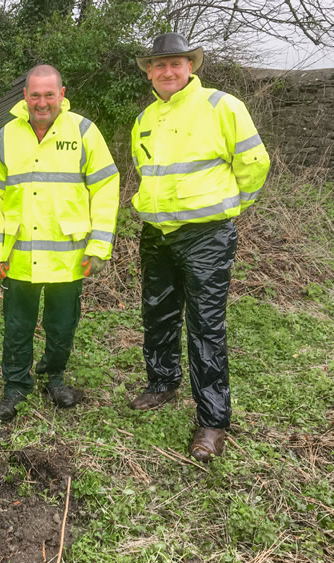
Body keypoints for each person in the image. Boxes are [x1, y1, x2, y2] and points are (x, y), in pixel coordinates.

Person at [129, 33, 270, 462]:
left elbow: (254, 164)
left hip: (206, 234)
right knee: (157, 310)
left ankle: (212, 421)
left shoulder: (222, 106)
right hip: (157, 232)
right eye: (159, 65)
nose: (167, 72)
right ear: (149, 72)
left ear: (191, 67)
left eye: (176, 64)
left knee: (206, 325)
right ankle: (162, 383)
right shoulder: (145, 118)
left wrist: (228, 209)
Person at [0, 64, 120, 422]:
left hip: (69, 257)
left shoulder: (84, 132)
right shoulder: (7, 136)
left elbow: (105, 186)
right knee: (17, 326)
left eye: (49, 94)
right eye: (35, 95)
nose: (42, 102)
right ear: (25, 96)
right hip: (20, 255)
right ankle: (15, 386)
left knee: (62, 326)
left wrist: (99, 244)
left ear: (62, 93)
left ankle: (54, 377)